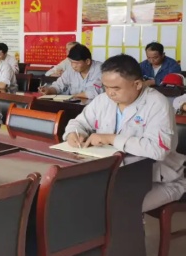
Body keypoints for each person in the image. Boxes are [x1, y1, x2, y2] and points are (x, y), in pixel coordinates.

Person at [63, 54, 186, 212]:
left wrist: (111, 139)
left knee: (116, 208)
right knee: (81, 196)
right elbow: (78, 123)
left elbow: (158, 150)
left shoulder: (157, 103)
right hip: (115, 174)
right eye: (106, 87)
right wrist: (73, 133)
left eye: (116, 88)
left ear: (137, 84)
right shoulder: (103, 100)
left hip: (160, 179)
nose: (110, 93)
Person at [39, 44, 103, 99]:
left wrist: (73, 96)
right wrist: (49, 91)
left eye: (76, 63)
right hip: (73, 105)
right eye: (71, 62)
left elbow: (94, 92)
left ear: (87, 61)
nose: (73, 66)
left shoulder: (101, 69)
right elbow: (59, 85)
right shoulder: (71, 70)